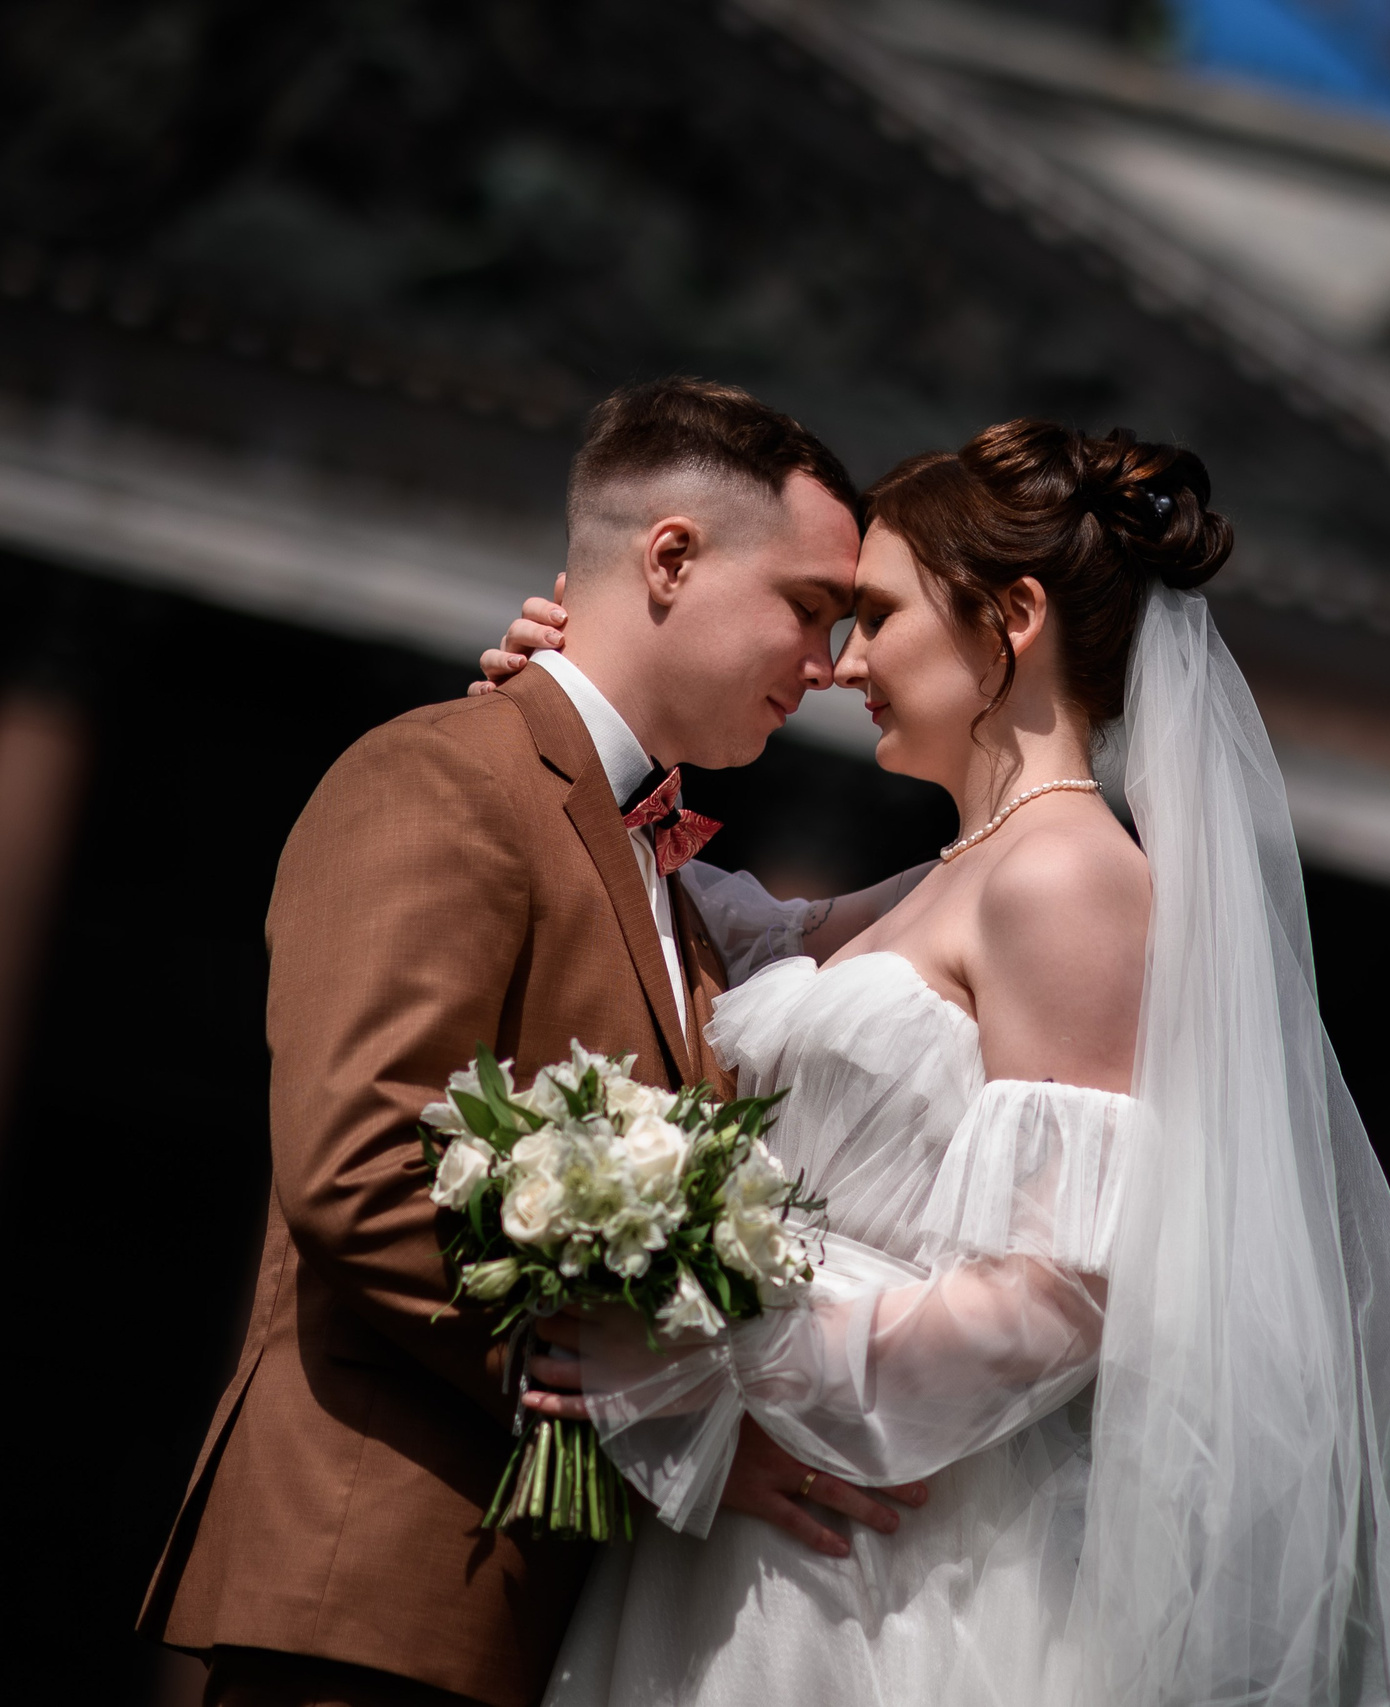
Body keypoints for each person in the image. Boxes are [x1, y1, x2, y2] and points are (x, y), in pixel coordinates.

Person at [483, 419, 1390, 1706]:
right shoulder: (959, 872)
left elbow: (1059, 1297)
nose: (843, 664)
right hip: (774, 1523)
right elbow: (696, 929)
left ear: (1010, 617)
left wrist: (704, 1366)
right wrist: (574, 720)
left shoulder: (1069, 877)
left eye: (877, 616)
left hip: (872, 1563)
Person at [142, 378, 931, 1707]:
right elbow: (360, 1167)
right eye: (808, 606)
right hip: (381, 1589)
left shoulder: (663, 868)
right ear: (670, 558)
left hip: (534, 1614)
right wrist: (648, 1408)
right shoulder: (446, 774)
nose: (826, 664)